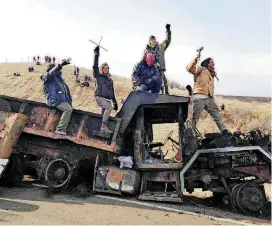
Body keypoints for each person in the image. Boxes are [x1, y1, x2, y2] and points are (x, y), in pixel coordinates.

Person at [186, 52, 230, 135]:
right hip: (199, 97)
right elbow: (189, 68)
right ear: (207, 63)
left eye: (213, 62)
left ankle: (225, 132)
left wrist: (212, 97)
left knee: (217, 115)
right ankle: (189, 136)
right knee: (194, 118)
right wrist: (196, 59)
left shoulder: (211, 74)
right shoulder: (200, 69)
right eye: (211, 62)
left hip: (209, 98)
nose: (213, 63)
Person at [40, 59, 73, 135]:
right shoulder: (47, 77)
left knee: (69, 108)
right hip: (54, 100)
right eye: (54, 69)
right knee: (68, 110)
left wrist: (69, 101)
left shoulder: (59, 79)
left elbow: (66, 91)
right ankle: (60, 129)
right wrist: (60, 65)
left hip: (60, 100)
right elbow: (51, 73)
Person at [93, 46, 118, 133]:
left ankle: (101, 129)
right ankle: (103, 126)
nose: (106, 70)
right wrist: (96, 55)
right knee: (108, 107)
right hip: (100, 97)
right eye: (104, 68)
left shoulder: (110, 80)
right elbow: (94, 66)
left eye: (107, 68)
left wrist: (115, 103)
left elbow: (112, 92)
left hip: (107, 99)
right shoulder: (98, 76)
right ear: (101, 69)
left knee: (104, 112)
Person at [143, 24, 172, 94]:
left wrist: (168, 31)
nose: (154, 40)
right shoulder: (146, 51)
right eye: (152, 39)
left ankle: (166, 98)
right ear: (149, 41)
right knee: (153, 88)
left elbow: (168, 40)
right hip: (151, 72)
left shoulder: (161, 47)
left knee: (164, 86)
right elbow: (143, 62)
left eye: (154, 39)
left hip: (161, 70)